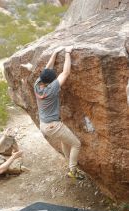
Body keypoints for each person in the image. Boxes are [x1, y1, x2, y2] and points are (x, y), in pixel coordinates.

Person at [34, 46, 84, 180]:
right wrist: (68, 52)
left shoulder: (37, 84)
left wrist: (55, 52)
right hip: (53, 125)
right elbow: (66, 72)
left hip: (45, 125)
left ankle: (69, 163)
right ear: (52, 81)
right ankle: (72, 170)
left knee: (65, 141)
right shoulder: (51, 88)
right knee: (76, 144)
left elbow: (47, 68)